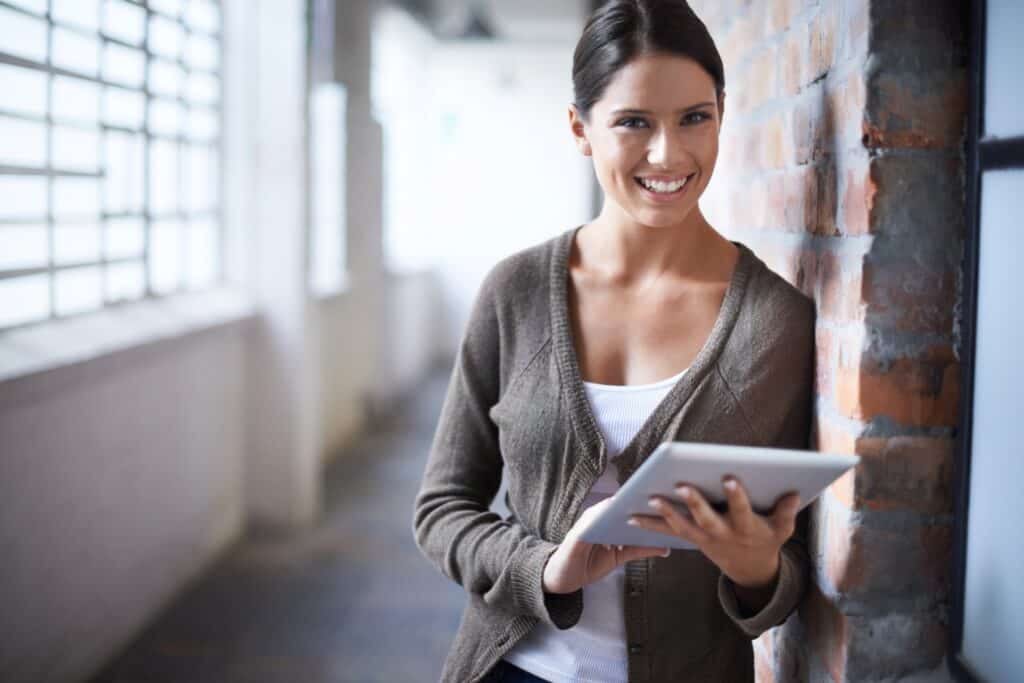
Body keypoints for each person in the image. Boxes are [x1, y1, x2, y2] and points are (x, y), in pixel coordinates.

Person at [412, 1, 815, 681]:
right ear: (580, 128)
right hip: (514, 667)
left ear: (721, 112)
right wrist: (542, 567)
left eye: (695, 117)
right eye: (633, 122)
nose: (669, 154)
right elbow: (441, 509)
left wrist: (759, 571)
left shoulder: (777, 323)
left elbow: (795, 568)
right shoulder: (513, 294)